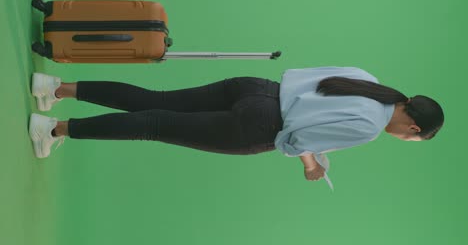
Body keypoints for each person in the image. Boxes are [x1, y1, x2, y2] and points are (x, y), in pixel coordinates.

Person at [28, 67, 444, 183]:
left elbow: (306, 81)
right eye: (413, 139)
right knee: (153, 125)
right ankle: (52, 129)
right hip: (258, 125)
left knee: (153, 101)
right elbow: (298, 139)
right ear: (412, 129)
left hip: (255, 87)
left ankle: (55, 86)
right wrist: (312, 167)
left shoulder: (368, 79)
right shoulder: (369, 128)